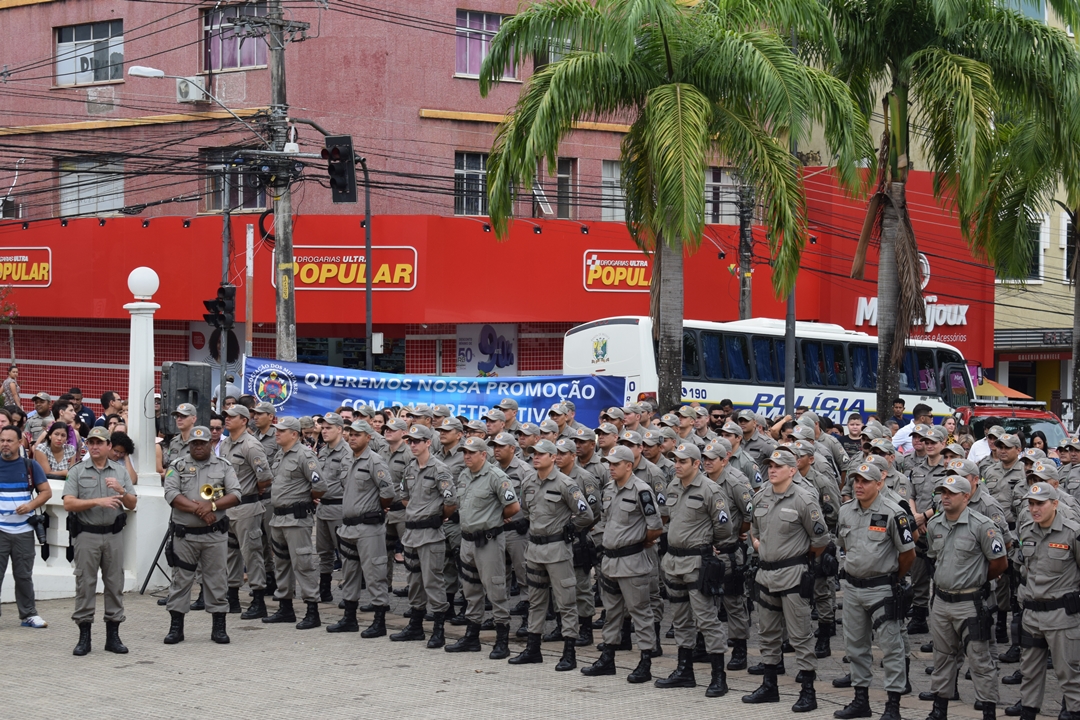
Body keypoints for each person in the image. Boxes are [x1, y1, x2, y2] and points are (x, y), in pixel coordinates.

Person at [742, 447, 830, 712]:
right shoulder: (760, 497)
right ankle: (770, 686)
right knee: (767, 633)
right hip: (765, 573)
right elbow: (754, 530)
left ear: (792, 470)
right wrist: (760, 546)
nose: (772, 469)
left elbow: (821, 539)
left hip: (793, 575)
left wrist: (800, 559)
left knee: (800, 635)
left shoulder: (804, 499)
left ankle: (808, 691)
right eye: (770, 465)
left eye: (779, 466)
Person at [833, 462, 916, 720]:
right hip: (853, 588)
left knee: (891, 648)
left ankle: (893, 706)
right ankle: (861, 701)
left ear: (879, 483)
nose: (858, 485)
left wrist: (893, 579)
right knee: (855, 647)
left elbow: (908, 554)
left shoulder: (894, 512)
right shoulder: (846, 511)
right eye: (856, 480)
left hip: (882, 589)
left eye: (865, 481)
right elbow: (843, 544)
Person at [502, 438, 593, 669]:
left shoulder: (565, 483)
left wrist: (570, 529)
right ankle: (533, 648)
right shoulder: (529, 480)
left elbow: (586, 514)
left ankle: (569, 651)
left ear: (553, 457)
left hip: (557, 550)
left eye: (541, 454)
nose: (536, 456)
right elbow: (526, 509)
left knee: (566, 601)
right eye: (534, 453)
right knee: (536, 600)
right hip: (534, 549)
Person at [925, 474, 1008, 720]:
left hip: (970, 603)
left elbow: (999, 563)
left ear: (966, 496)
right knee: (942, 657)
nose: (945, 497)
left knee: (980, 660)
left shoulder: (982, 525)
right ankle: (939, 709)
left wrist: (978, 579)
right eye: (943, 492)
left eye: (951, 493)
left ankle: (988, 710)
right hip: (941, 602)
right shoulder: (934, 525)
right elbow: (934, 557)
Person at [653, 442, 733, 696]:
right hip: (674, 562)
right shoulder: (673, 486)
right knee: (680, 619)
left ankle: (718, 676)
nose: (676, 465)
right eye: (675, 460)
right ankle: (684, 671)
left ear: (696, 464)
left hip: (698, 562)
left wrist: (710, 544)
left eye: (682, 461)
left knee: (706, 619)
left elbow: (724, 528)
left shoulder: (711, 489)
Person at [581, 445, 664, 683]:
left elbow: (656, 526)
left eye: (616, 464)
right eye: (609, 463)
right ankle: (608, 657)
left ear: (629, 465)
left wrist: (639, 542)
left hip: (633, 561)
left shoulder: (642, 490)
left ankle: (645, 660)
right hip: (610, 560)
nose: (611, 468)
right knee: (611, 612)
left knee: (640, 612)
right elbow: (606, 521)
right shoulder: (609, 489)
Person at [162, 426, 241, 645]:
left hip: (214, 536)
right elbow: (171, 495)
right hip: (185, 536)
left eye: (203, 443)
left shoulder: (223, 466)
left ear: (210, 444)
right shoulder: (177, 466)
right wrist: (201, 509)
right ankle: (176, 627)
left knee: (217, 580)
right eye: (194, 443)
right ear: (189, 445)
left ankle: (219, 627)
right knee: (181, 580)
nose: (198, 446)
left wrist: (212, 505)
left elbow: (236, 494)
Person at [62, 426, 137, 655]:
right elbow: (68, 503)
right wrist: (98, 502)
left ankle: (112, 637)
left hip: (113, 535)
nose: (94, 446)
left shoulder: (119, 471)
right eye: (91, 443)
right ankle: (84, 637)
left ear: (108, 447)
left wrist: (121, 491)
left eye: (99, 443)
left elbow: (132, 504)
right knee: (85, 584)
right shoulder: (77, 470)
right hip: (87, 534)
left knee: (115, 585)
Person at [443, 435, 519, 657]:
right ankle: (472, 636)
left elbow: (513, 507)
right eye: (464, 453)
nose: (466, 456)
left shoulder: (496, 476)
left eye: (471, 453)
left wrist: (494, 518)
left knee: (495, 589)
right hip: (467, 540)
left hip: (488, 541)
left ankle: (502, 639)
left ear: (483, 455)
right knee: (470, 590)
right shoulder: (465, 475)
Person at [1012, 483, 1080, 720]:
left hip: (1062, 616)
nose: (1034, 508)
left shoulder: (1073, 532)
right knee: (1029, 672)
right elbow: (1024, 569)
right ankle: (1028, 713)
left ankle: (1074, 712)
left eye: (1040, 503)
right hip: (1032, 615)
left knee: (1069, 673)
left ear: (1055, 504)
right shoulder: (1027, 531)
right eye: (1031, 503)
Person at [391, 424, 458, 647]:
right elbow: (404, 497)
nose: (413, 445)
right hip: (411, 533)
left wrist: (436, 516)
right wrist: (418, 510)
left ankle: (438, 629)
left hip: (431, 534)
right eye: (410, 441)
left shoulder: (439, 469)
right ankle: (416, 626)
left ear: (428, 442)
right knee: (414, 581)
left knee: (433, 582)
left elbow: (451, 502)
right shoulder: (409, 469)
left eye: (417, 441)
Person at [328, 420, 394, 637]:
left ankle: (379, 620)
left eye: (358, 434)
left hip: (369, 527)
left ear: (369, 437)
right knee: (349, 573)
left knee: (375, 574)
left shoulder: (375, 461)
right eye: (351, 434)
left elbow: (387, 493)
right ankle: (349, 618)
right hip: (348, 527)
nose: (353, 437)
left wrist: (375, 510)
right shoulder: (347, 459)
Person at [262, 417, 327, 629]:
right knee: (281, 564)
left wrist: (307, 498)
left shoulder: (304, 455)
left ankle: (311, 609)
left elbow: (320, 485)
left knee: (303, 564)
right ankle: (285, 607)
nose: (276, 433)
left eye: (282, 431)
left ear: (294, 434)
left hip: (296, 519)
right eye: (276, 430)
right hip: (279, 518)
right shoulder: (280, 455)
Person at [701, 438, 755, 670]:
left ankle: (740, 649)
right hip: (706, 551)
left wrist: (738, 534)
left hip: (729, 551)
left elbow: (749, 514)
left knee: (733, 602)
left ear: (724, 460)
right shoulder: (701, 482)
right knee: (705, 601)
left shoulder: (735, 483)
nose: (707, 463)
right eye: (704, 459)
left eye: (712, 459)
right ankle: (704, 646)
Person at [220, 405, 274, 619]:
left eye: (232, 417)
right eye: (226, 416)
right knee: (231, 553)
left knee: (252, 553)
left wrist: (254, 491)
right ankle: (232, 597)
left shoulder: (251, 445)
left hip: (247, 507)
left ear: (243, 420)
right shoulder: (225, 444)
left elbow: (265, 477)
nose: (227, 420)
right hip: (229, 508)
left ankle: (258, 599)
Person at [0, 425, 51, 629]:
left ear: (20, 443)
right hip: (0, 530)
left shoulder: (30, 466)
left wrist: (30, 505)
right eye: (2, 440)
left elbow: (46, 492)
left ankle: (29, 614)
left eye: (9, 440)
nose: (4, 444)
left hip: (24, 531)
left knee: (23, 575)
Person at [315, 412, 349, 603]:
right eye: (323, 427)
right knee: (324, 552)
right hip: (323, 508)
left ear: (339, 429)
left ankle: (349, 594)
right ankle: (325, 590)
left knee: (345, 554)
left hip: (339, 508)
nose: (324, 431)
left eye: (329, 428)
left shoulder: (347, 452)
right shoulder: (324, 450)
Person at [164, 403, 197, 470]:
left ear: (193, 419)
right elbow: (170, 467)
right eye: (177, 416)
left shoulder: (201, 442)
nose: (179, 419)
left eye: (183, 416)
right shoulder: (174, 442)